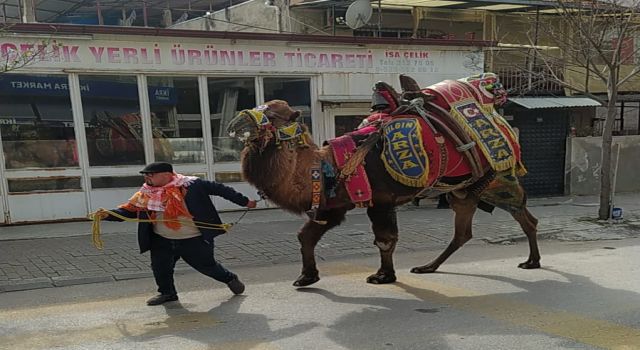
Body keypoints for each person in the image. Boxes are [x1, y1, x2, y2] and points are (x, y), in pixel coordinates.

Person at [94, 162, 257, 306]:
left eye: (150, 174)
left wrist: (245, 202)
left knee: (207, 267)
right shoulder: (146, 193)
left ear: (166, 175)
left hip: (193, 239)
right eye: (145, 175)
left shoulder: (192, 185)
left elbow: (222, 190)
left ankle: (229, 278)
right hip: (162, 239)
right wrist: (108, 215)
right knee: (160, 267)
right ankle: (167, 293)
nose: (147, 178)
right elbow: (129, 211)